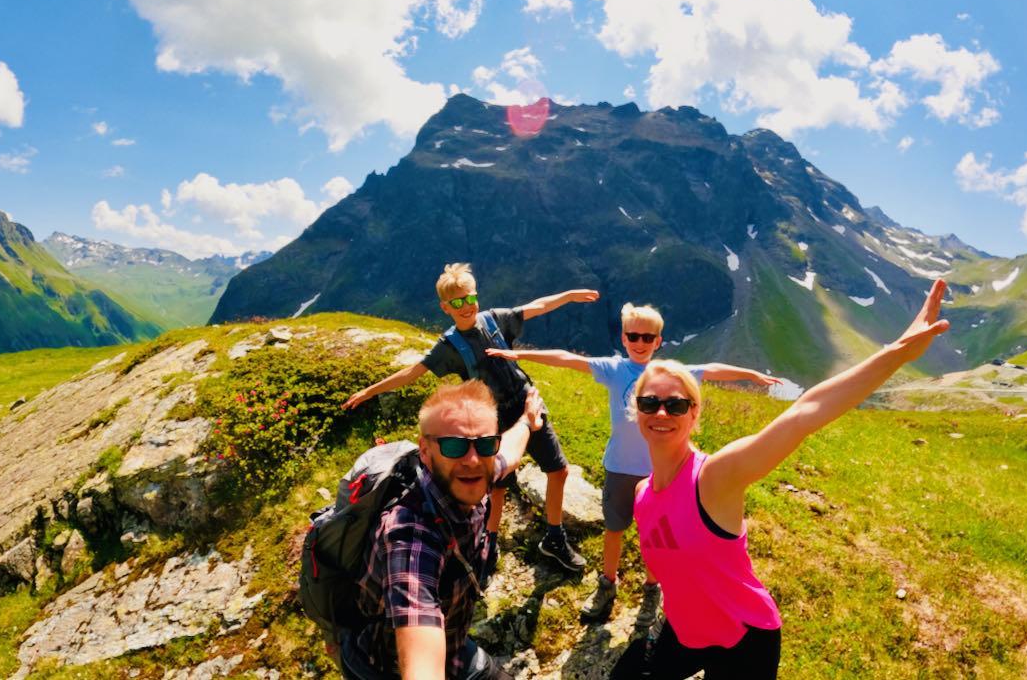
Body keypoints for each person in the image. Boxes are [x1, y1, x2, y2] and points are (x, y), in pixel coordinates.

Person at [610, 280, 952, 679]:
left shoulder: (715, 477)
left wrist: (896, 354)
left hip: (744, 640)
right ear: (636, 410)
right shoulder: (641, 494)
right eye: (651, 402)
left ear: (694, 414)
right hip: (684, 633)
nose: (663, 413)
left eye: (677, 404)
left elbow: (804, 413)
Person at [487, 303, 779, 629]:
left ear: (658, 341)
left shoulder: (667, 374)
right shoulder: (613, 369)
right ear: (624, 338)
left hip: (661, 475)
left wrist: (750, 375)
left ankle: (651, 591)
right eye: (633, 335)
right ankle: (606, 585)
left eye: (647, 336)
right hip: (620, 469)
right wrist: (523, 356)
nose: (640, 342)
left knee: (654, 537)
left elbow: (710, 368)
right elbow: (569, 359)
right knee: (614, 529)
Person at [342, 263, 598, 572]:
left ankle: (554, 539)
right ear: (445, 307)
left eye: (470, 298)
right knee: (498, 487)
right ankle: (488, 543)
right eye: (458, 302)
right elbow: (414, 371)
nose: (466, 306)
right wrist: (371, 391)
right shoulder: (447, 347)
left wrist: (568, 296)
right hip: (492, 420)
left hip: (528, 402)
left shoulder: (495, 319)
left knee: (558, 471)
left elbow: (535, 308)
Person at [342, 380, 543, 679]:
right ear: (425, 451)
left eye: (485, 443)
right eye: (453, 445)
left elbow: (507, 455)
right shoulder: (410, 534)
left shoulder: (473, 473)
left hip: (455, 647)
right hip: (380, 667)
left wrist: (527, 422)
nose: (473, 459)